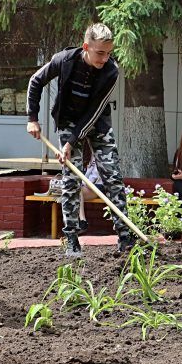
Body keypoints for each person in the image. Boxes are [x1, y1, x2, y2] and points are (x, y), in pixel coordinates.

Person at [26, 22, 132, 257]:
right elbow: (35, 81)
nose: (105, 58)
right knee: (71, 178)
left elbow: (93, 113)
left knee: (112, 176)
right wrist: (32, 118)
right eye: (100, 53)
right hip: (68, 121)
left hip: (97, 123)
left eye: (109, 53)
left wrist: (71, 142)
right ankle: (72, 237)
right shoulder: (64, 60)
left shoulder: (111, 72)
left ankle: (125, 237)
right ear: (86, 46)